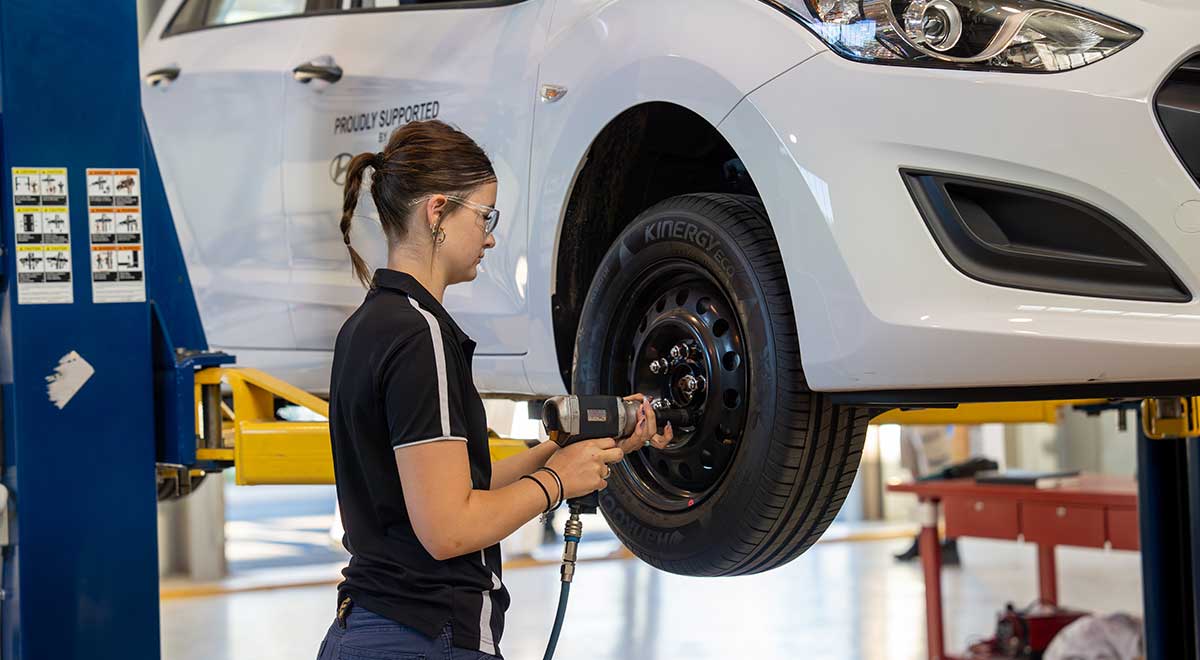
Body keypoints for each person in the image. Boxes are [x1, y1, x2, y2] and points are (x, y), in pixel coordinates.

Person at [316, 120, 674, 660]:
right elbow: (449, 529)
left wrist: (563, 451)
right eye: (484, 216)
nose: (489, 237)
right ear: (437, 211)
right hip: (424, 637)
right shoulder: (420, 336)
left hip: (369, 629)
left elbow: (455, 489)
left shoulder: (367, 326)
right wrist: (557, 482)